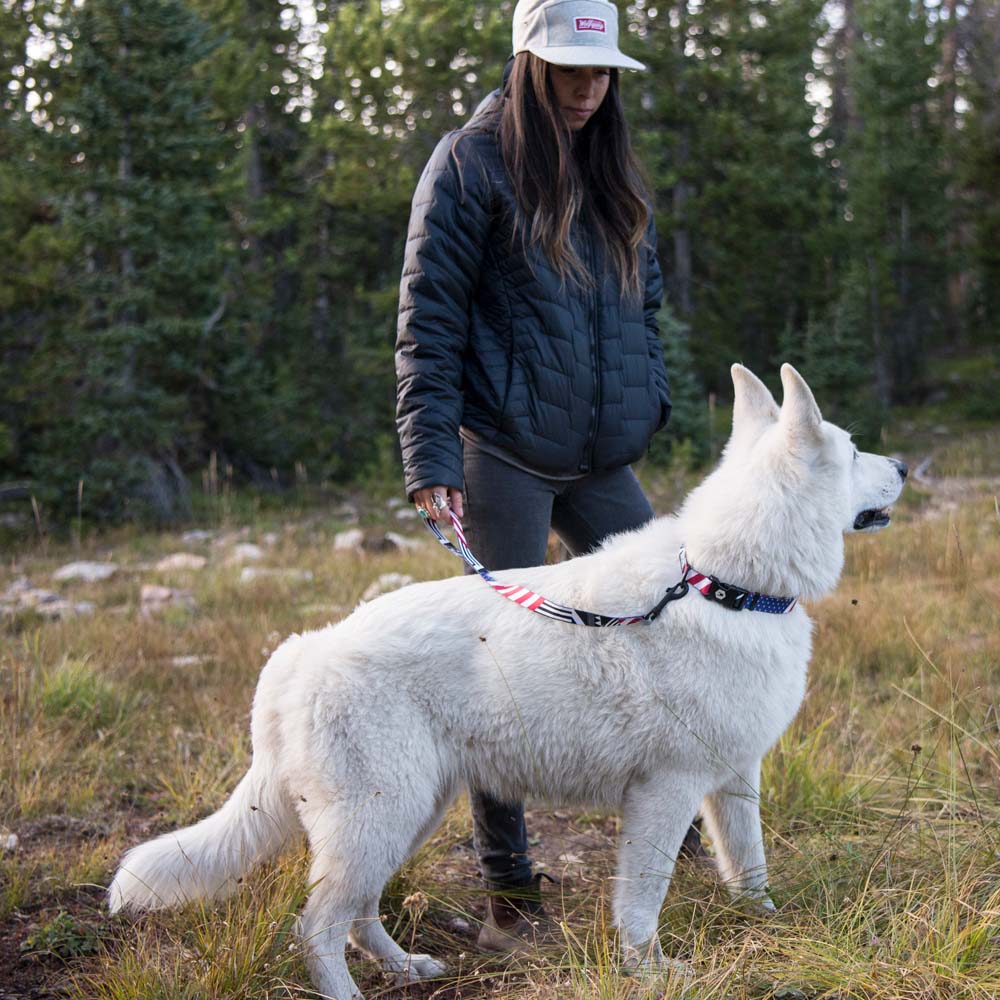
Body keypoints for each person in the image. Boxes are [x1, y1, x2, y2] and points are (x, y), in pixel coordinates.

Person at [394, 0, 702, 953]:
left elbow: (644, 303)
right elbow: (429, 318)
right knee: (500, 671)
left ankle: (676, 825)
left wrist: (647, 396)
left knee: (677, 614)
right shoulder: (471, 161)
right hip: (506, 457)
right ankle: (510, 896)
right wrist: (432, 458)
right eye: (569, 69)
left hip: (603, 459)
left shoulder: (610, 170)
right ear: (527, 61)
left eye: (601, 71)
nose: (586, 86)